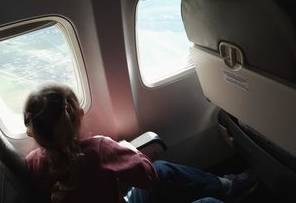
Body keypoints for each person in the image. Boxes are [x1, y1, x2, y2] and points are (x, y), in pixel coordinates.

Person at [23, 83, 257, 203]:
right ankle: (227, 187)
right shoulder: (99, 149)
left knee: (163, 170)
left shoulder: (30, 164)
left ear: (33, 131)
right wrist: (129, 150)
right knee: (208, 201)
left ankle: (226, 185)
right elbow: (147, 178)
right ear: (78, 116)